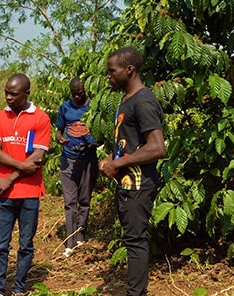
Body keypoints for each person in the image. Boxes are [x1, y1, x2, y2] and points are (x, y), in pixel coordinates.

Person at [100, 47, 166, 296]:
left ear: (129, 70)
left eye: (112, 71)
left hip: (139, 185)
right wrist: (112, 159)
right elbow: (129, 146)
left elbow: (157, 148)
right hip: (127, 185)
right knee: (132, 240)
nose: (109, 76)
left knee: (136, 242)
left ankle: (136, 293)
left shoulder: (144, 100)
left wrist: (118, 165)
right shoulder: (126, 101)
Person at [0, 73, 51, 296]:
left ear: (27, 93)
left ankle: (18, 288)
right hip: (3, 194)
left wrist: (11, 177)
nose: (8, 97)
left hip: (29, 193)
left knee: (25, 245)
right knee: (0, 245)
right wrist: (20, 167)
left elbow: (37, 158)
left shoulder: (41, 118)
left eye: (13, 94)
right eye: (6, 92)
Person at [55, 77, 100, 258]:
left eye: (79, 93)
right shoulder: (65, 108)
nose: (76, 96)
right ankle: (70, 240)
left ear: (85, 90)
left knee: (84, 199)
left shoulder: (94, 107)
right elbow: (59, 130)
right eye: (73, 93)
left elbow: (101, 135)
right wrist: (59, 139)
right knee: (69, 201)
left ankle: (81, 234)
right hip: (68, 160)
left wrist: (91, 145)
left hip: (88, 160)